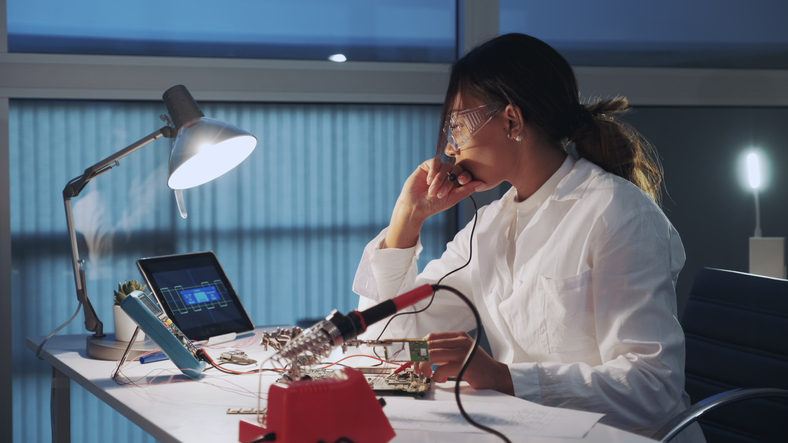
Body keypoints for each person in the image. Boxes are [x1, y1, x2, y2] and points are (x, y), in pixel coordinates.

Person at [352, 33, 704, 441]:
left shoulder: (616, 212)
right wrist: (406, 221)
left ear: (512, 121)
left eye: (458, 125)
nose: (450, 148)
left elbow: (651, 387)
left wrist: (504, 377)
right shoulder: (492, 224)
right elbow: (386, 336)